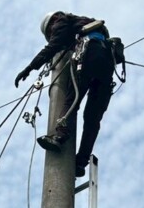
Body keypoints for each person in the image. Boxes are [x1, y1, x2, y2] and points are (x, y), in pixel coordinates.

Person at [14, 11, 115, 177]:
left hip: (88, 54)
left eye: (50, 31)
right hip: (106, 61)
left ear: (53, 21)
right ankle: (81, 163)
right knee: (92, 119)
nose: (52, 33)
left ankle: (59, 137)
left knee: (71, 100)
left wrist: (30, 68)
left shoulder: (61, 20)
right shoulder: (85, 24)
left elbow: (53, 45)